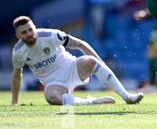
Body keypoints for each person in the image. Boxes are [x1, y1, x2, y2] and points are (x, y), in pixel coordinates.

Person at [11, 16, 144, 106]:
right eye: (24, 32)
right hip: (54, 82)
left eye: (30, 29)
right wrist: (14, 102)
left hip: (72, 67)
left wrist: (99, 64)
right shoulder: (18, 52)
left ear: (35, 27)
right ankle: (91, 102)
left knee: (91, 61)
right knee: (50, 96)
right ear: (18, 35)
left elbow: (81, 44)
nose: (29, 33)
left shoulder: (50, 35)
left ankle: (127, 97)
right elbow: (17, 76)